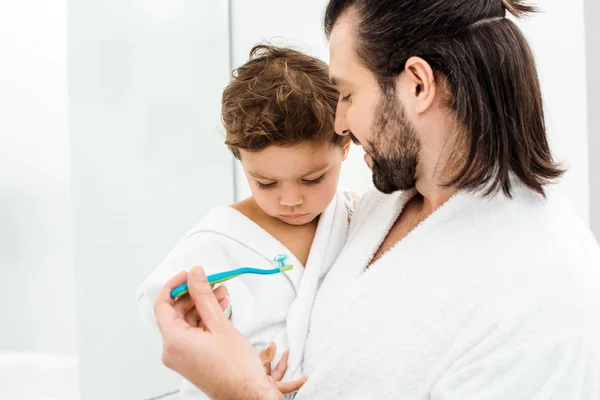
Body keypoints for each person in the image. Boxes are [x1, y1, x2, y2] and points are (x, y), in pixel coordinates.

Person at [154, 0, 600, 399]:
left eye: (346, 94)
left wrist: (243, 392)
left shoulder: (544, 300)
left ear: (418, 85)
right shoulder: (379, 209)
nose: (341, 122)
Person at [137, 45, 356, 399]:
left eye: (312, 179)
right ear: (241, 160)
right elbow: (165, 315)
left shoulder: (355, 219)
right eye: (265, 183)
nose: (290, 200)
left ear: (345, 147)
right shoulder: (216, 242)